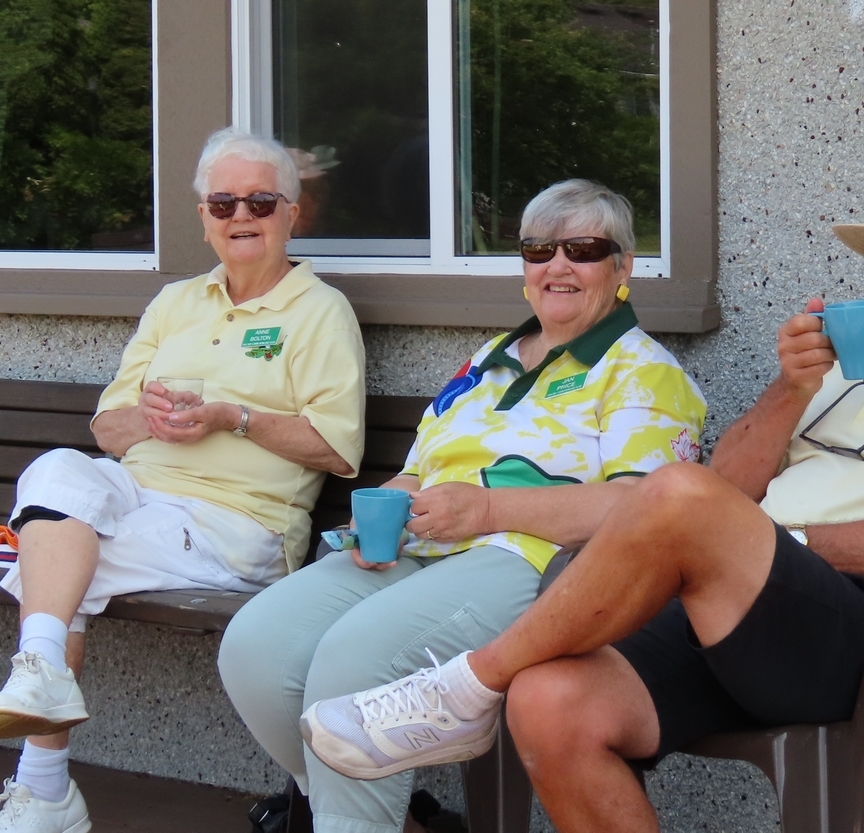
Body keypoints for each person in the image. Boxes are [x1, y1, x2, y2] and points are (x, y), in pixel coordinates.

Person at [299, 146, 864, 833]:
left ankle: (466, 686)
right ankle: (493, 686)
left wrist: (765, 546)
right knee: (549, 701)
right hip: (733, 614)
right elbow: (729, 486)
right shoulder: (859, 362)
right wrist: (789, 390)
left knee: (676, 496)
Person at [217, 179, 707, 833]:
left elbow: (642, 510)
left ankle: (352, 818)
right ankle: (365, 811)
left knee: (354, 657)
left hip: (537, 565)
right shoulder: (487, 360)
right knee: (256, 646)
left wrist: (486, 511)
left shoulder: (644, 372)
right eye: (539, 250)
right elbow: (420, 467)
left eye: (584, 249)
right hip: (421, 545)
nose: (558, 265)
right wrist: (385, 506)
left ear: (622, 268)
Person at [0, 128, 366, 833]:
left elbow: (337, 449)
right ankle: (42, 675)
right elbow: (107, 430)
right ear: (203, 218)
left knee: (56, 562)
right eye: (223, 203)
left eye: (259, 202)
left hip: (236, 524)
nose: (240, 215)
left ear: (291, 213)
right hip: (140, 495)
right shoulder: (175, 302)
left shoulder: (319, 311)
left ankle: (43, 782)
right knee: (55, 470)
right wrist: (150, 418)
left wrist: (233, 417)